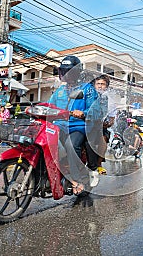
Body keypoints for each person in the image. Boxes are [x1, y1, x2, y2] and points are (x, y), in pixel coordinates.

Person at [49, 55, 101, 194]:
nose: (66, 75)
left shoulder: (87, 89)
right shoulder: (59, 91)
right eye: (63, 71)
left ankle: (76, 180)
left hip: (78, 126)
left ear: (77, 73)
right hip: (59, 125)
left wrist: (83, 113)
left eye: (69, 72)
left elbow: (95, 110)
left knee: (71, 145)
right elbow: (50, 106)